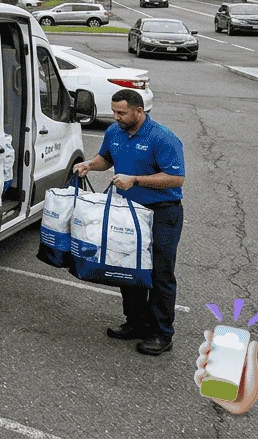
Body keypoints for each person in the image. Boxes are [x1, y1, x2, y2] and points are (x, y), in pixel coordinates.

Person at [72, 88, 185, 356]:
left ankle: (160, 333)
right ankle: (135, 322)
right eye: (114, 112)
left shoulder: (163, 138)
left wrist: (135, 179)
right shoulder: (114, 133)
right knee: (127, 265)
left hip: (161, 212)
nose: (116, 117)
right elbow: (106, 159)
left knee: (160, 273)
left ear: (139, 111)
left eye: (121, 113)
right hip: (127, 210)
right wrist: (90, 164)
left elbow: (175, 178)